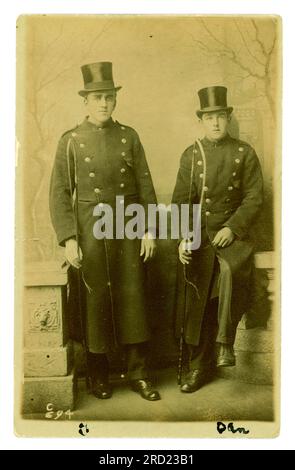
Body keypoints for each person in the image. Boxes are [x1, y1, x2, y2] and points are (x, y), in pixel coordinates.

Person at [49, 62, 161, 401]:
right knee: (94, 301)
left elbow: (145, 185)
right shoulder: (70, 141)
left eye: (109, 97)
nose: (104, 104)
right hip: (90, 230)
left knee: (133, 299)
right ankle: (98, 376)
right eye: (98, 97)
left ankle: (138, 374)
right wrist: (69, 238)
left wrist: (149, 230)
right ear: (85, 101)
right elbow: (58, 193)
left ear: (115, 100)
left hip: (127, 226)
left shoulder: (130, 135)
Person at [172, 86, 264, 393]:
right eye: (209, 117)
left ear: (228, 119)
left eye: (220, 117)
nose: (215, 123)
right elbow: (182, 202)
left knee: (227, 273)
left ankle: (225, 344)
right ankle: (198, 367)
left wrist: (233, 227)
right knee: (198, 297)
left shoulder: (244, 153)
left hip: (233, 237)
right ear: (201, 120)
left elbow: (254, 197)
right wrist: (185, 238)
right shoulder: (192, 155)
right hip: (200, 235)